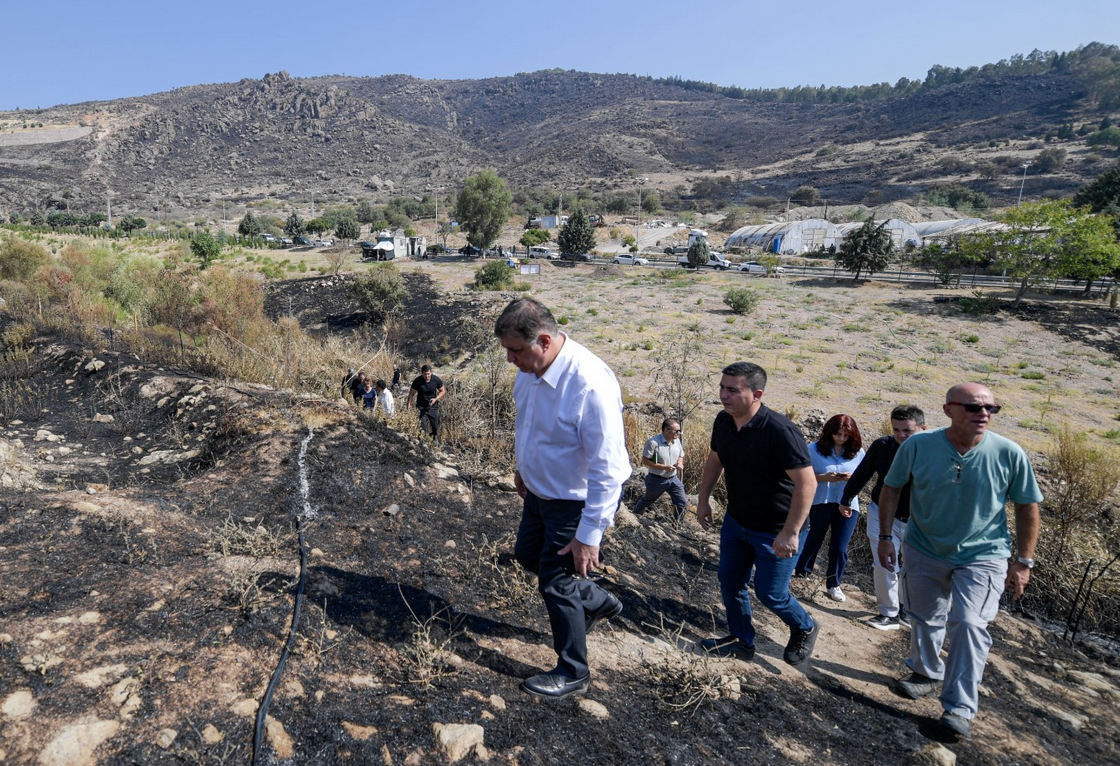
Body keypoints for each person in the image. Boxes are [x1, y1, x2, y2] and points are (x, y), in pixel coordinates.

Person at [879, 383, 1041, 740]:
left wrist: (1024, 561)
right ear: (949, 409)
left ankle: (959, 708)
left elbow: (1028, 506)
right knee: (924, 616)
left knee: (968, 624)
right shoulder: (919, 446)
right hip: (924, 546)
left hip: (984, 554)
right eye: (972, 407)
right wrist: (886, 537)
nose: (983, 414)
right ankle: (924, 673)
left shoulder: (1009, 453)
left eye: (990, 408)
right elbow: (891, 488)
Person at [496, 297, 631, 699]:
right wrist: (524, 466)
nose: (510, 360)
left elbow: (611, 468)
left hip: (573, 503)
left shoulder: (589, 383)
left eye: (515, 350)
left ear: (543, 340)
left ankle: (573, 672)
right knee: (526, 556)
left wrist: (591, 534)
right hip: (538, 493)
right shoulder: (531, 368)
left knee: (556, 583)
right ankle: (596, 600)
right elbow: (531, 422)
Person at [696, 362, 820, 666]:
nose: (724, 395)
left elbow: (807, 482)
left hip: (777, 528)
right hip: (737, 522)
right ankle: (741, 641)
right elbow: (715, 460)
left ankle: (805, 625)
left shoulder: (780, 431)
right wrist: (703, 499)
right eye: (722, 387)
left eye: (733, 390)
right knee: (730, 581)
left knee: (771, 593)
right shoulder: (723, 422)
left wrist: (790, 531)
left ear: (757, 394)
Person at [840, 405, 926, 630]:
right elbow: (863, 472)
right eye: (896, 430)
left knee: (913, 565)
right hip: (882, 511)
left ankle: (906, 608)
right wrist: (846, 498)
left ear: (923, 428)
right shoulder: (883, 446)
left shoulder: (932, 452)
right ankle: (888, 613)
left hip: (917, 519)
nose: (901, 435)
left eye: (907, 430)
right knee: (884, 563)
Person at [794, 414, 866, 602]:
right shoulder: (813, 449)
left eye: (845, 435)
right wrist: (826, 477)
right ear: (829, 432)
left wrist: (852, 479)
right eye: (838, 434)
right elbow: (802, 476)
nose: (841, 438)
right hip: (820, 500)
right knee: (813, 538)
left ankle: (834, 584)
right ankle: (802, 573)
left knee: (840, 546)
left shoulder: (859, 452)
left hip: (848, 503)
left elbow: (864, 476)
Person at [632, 419, 687, 524]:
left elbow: (681, 455)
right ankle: (633, 519)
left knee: (682, 502)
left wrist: (680, 463)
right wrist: (663, 467)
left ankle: (677, 526)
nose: (679, 433)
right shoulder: (653, 443)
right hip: (656, 479)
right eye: (676, 431)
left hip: (673, 479)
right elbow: (645, 460)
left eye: (679, 431)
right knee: (647, 501)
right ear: (666, 430)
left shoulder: (677, 441)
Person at [407, 364, 445, 442]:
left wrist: (436, 399)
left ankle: (434, 436)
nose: (427, 376)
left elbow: (443, 391)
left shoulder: (436, 380)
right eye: (425, 374)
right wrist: (409, 407)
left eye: (428, 374)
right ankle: (424, 442)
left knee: (436, 426)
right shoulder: (417, 381)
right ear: (422, 373)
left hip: (433, 406)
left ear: (431, 372)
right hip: (421, 407)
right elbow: (411, 394)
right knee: (422, 427)